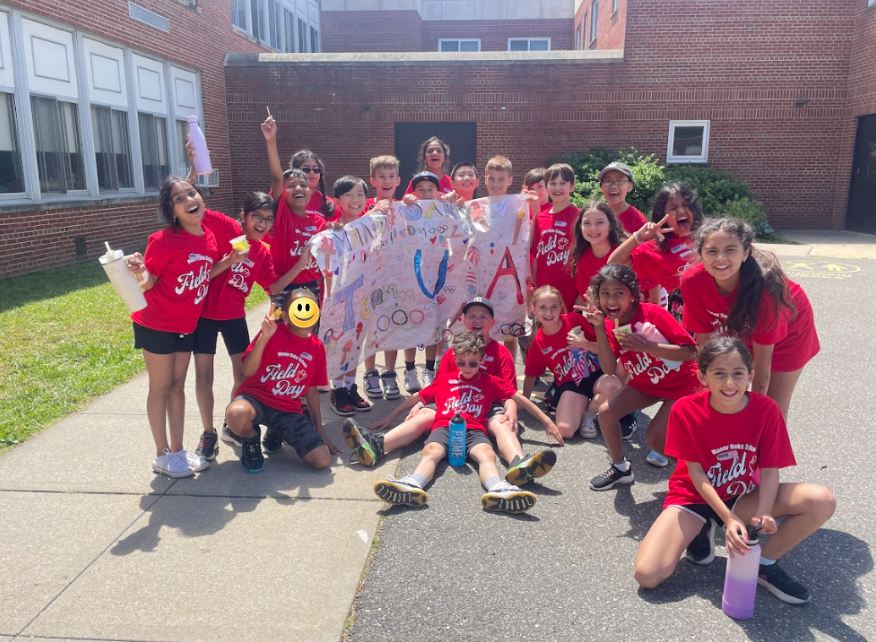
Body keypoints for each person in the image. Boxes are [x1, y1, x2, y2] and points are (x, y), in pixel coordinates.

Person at [634, 337, 835, 605]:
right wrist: (727, 519)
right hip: (693, 498)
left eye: (738, 373)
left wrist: (763, 512)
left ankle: (764, 564)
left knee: (821, 500)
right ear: (703, 376)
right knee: (648, 575)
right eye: (719, 374)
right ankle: (704, 526)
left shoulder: (766, 410)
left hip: (741, 496)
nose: (730, 383)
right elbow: (696, 473)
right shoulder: (685, 410)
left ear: (750, 375)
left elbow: (769, 469)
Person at [347, 297, 558, 487]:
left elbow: (509, 392)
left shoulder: (501, 352)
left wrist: (513, 411)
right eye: (472, 315)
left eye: (483, 316)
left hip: (490, 402)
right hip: (453, 401)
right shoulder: (453, 352)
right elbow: (437, 387)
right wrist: (410, 408)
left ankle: (518, 463)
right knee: (423, 416)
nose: (477, 319)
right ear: (464, 321)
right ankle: (378, 446)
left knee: (501, 423)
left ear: (492, 322)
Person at [368, 331, 562, 513]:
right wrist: (391, 417)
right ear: (454, 359)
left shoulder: (490, 381)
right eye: (461, 363)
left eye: (472, 363)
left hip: (475, 430)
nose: (467, 368)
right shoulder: (445, 380)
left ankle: (498, 490)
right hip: (445, 426)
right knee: (431, 452)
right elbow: (418, 397)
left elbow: (519, 399)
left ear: (482, 360)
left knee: (486, 455)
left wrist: (546, 421)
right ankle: (412, 485)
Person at [126, 176, 242, 477]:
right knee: (161, 387)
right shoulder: (162, 240)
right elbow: (149, 283)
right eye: (180, 199)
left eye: (191, 193)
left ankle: (177, 452)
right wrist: (140, 272)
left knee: (177, 387)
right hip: (156, 323)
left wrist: (230, 260)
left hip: (186, 324)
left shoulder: (209, 237)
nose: (189, 200)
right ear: (172, 210)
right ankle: (161, 453)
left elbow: (207, 272)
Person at [194, 192, 304, 460]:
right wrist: (195, 170)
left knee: (243, 375)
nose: (262, 224)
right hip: (204, 315)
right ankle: (208, 434)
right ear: (243, 216)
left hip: (233, 317)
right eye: (256, 217)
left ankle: (229, 426)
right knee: (204, 376)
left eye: (268, 220)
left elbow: (274, 286)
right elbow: (195, 206)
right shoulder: (227, 228)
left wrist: (301, 264)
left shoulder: (262, 252)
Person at [681, 218, 820, 420]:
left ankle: (769, 446)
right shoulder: (692, 280)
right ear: (700, 254)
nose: (720, 258)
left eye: (730, 250)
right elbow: (706, 345)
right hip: (742, 330)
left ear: (746, 252)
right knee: (722, 405)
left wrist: (754, 413)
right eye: (711, 251)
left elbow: (763, 366)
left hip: (789, 336)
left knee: (771, 412)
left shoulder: (767, 288)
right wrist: (710, 393)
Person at [580, 265, 702, 491]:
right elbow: (608, 369)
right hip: (647, 383)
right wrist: (598, 328)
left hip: (685, 383)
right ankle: (620, 469)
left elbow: (692, 351)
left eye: (619, 293)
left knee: (656, 438)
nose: (611, 300)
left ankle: (700, 479)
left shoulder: (653, 313)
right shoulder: (609, 324)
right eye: (605, 293)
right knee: (606, 412)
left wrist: (648, 346)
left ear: (633, 296)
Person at [222, 289, 341, 473]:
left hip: (287, 409)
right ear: (286, 316)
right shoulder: (272, 334)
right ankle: (250, 440)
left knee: (322, 460)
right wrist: (264, 338)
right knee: (236, 414)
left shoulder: (316, 347)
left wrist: (319, 429)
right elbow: (247, 370)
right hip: (255, 400)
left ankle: (277, 431)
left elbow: (311, 391)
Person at [522, 286, 621, 441]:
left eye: (554, 307)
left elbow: (608, 348)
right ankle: (582, 409)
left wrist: (586, 344)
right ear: (533, 309)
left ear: (561, 307)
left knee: (614, 387)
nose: (548, 313)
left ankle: (590, 413)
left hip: (596, 374)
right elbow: (530, 375)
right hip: (572, 384)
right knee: (565, 431)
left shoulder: (574, 320)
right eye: (543, 308)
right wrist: (524, 404)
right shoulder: (537, 343)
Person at [399, 171, 459, 392]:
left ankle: (430, 369)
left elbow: (462, 228)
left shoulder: (444, 210)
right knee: (411, 324)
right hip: (412, 278)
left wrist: (452, 204)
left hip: (437, 275)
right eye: (420, 189)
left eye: (430, 190)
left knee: (435, 323)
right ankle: (410, 369)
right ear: (413, 192)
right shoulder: (407, 210)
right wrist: (405, 206)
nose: (425, 193)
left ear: (437, 192)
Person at [608, 182, 702, 321]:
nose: (681, 211)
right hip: (687, 319)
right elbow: (613, 264)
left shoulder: (709, 235)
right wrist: (638, 236)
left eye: (687, 205)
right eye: (674, 208)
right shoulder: (657, 249)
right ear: (663, 216)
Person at [261, 115, 327, 304]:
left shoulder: (319, 223)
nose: (298, 188)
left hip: (314, 288)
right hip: (285, 290)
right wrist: (271, 140)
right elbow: (277, 178)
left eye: (303, 185)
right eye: (291, 186)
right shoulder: (281, 217)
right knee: (282, 333)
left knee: (311, 333)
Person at [326, 175, 375, 416]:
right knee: (338, 342)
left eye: (360, 194)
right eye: (349, 195)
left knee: (356, 342)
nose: (356, 200)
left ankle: (350, 387)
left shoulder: (371, 226)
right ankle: (337, 390)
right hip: (339, 295)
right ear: (338, 201)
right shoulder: (332, 229)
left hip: (363, 295)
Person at [361, 156, 403, 400]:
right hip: (367, 278)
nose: (386, 181)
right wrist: (372, 212)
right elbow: (350, 228)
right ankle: (369, 373)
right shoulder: (364, 205)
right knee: (368, 325)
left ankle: (389, 373)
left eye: (391, 177)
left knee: (391, 325)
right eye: (381, 177)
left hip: (394, 277)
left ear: (398, 180)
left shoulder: (403, 208)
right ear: (373, 180)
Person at [531, 163, 580, 313]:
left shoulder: (580, 216)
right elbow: (536, 256)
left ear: (572, 186)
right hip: (543, 293)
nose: (557, 188)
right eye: (552, 183)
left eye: (562, 183)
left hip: (569, 293)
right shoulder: (540, 218)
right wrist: (534, 287)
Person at [597, 162, 647, 235]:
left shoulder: (638, 220)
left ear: (629, 186)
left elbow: (647, 245)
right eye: (608, 181)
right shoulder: (595, 215)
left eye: (619, 181)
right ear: (601, 187)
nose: (613, 186)